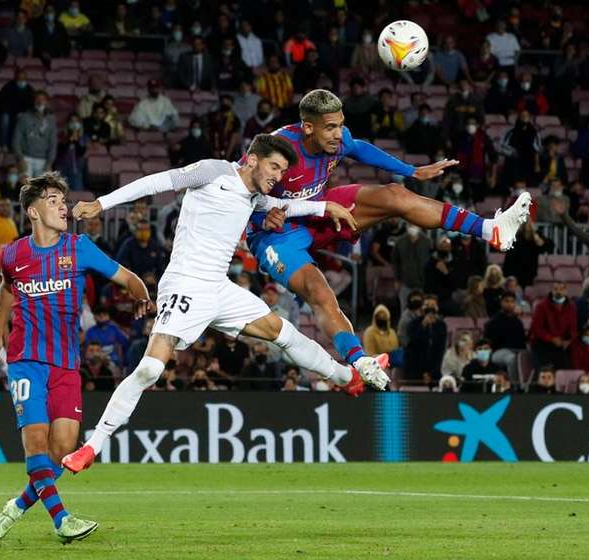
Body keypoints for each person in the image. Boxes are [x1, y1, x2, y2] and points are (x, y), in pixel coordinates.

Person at [62, 134, 384, 476]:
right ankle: (92, 445)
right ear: (253, 160)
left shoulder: (255, 197)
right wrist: (101, 204)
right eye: (274, 167)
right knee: (150, 370)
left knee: (282, 332)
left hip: (220, 288)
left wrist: (324, 207)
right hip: (185, 283)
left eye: (282, 171)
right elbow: (156, 182)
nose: (278, 176)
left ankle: (347, 377)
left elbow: (286, 206)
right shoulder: (213, 171)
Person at [248, 90, 531, 390]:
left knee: (396, 194)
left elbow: (359, 148)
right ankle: (360, 361)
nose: (338, 134)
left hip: (319, 209)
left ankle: (490, 229)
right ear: (307, 127)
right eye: (330, 127)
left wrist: (411, 171)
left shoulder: (338, 139)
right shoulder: (276, 148)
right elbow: (238, 188)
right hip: (275, 234)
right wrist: (261, 219)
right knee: (319, 291)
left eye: (340, 125)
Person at [0, 172, 153, 543]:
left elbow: (127, 277)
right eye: (53, 201)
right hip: (26, 360)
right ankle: (62, 521)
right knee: (36, 443)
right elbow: (7, 289)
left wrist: (141, 293)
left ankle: (17, 506)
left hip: (66, 364)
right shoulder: (12, 254)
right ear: (33, 211)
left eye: (63, 201)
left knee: (62, 448)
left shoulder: (79, 248)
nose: (63, 207)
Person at [530, 282, 577, 369]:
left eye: (561, 289)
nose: (558, 292)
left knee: (566, 367)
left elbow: (573, 329)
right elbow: (536, 329)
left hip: (561, 345)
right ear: (551, 290)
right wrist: (551, 339)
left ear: (566, 291)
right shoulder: (541, 306)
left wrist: (567, 340)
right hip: (543, 345)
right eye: (556, 289)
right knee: (545, 370)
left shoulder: (571, 307)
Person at [484, 291, 527, 383]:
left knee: (529, 357)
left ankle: (528, 386)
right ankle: (515, 385)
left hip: (517, 350)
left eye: (512, 301)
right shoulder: (493, 322)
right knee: (511, 358)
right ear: (501, 303)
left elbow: (522, 342)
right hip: (498, 352)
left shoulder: (518, 322)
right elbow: (487, 342)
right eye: (507, 301)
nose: (509, 304)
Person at [405, 294, 447, 386]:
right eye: (427, 305)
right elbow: (412, 345)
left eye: (433, 305)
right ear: (422, 307)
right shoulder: (413, 324)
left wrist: (431, 373)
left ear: (437, 308)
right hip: (415, 369)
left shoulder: (441, 326)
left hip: (435, 372)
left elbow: (440, 351)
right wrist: (423, 325)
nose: (430, 308)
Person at [13, 91, 57, 178]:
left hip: (43, 160)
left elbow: (53, 143)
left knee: (42, 186)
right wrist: (20, 159)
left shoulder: (51, 120)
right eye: (37, 99)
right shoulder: (24, 117)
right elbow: (16, 140)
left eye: (43, 100)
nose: (40, 102)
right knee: (25, 185)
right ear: (33, 101)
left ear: (46, 102)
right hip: (26, 158)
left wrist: (50, 162)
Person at [0, 69, 35, 149]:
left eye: (23, 79)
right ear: (15, 79)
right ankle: (3, 144)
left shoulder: (29, 89)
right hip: (9, 113)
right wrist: (14, 113)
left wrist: (23, 113)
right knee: (5, 118)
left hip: (23, 114)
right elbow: (1, 103)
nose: (22, 81)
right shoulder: (8, 87)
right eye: (19, 79)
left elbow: (31, 106)